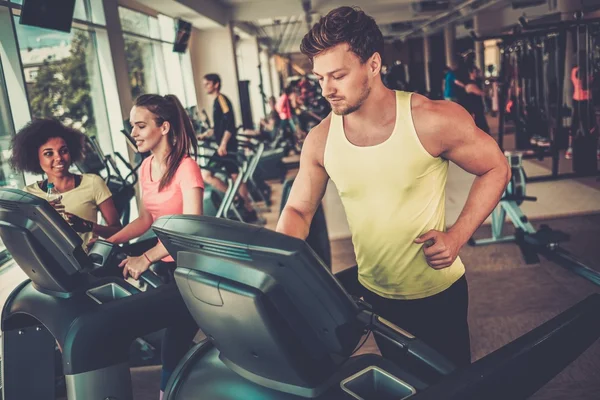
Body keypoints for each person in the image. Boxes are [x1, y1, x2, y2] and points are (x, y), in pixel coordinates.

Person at [276, 6, 510, 368]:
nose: (326, 90)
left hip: (436, 294)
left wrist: (458, 235)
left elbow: (496, 167)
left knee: (450, 389)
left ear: (373, 64)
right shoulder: (320, 139)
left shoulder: (432, 119)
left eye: (337, 75)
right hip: (373, 294)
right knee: (402, 382)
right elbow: (298, 210)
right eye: (320, 78)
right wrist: (278, 265)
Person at [105, 94, 204, 400]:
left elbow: (189, 229)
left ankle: (168, 393)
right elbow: (147, 217)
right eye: (131, 126)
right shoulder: (146, 167)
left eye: (140, 125)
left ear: (163, 127)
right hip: (166, 264)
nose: (132, 133)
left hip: (191, 266)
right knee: (171, 341)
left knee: (173, 343)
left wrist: (145, 257)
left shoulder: (187, 167)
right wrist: (110, 242)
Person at [9, 118, 122, 248]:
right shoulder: (29, 195)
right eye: (48, 153)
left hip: (87, 263)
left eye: (63, 151)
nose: (59, 158)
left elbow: (118, 231)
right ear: (36, 158)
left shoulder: (93, 182)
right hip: (50, 265)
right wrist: (42, 217)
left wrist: (88, 226)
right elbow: (24, 240)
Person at [198, 73, 257, 221]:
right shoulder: (217, 102)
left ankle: (238, 199)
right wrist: (206, 134)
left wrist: (223, 144)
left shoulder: (222, 100)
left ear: (216, 84)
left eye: (208, 84)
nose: (205, 87)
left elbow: (230, 125)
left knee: (207, 175)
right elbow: (219, 126)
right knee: (235, 176)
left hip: (225, 147)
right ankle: (247, 207)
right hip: (224, 146)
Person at [566, 55, 599, 160]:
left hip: (583, 101)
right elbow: (585, 83)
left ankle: (596, 148)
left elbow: (588, 84)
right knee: (578, 124)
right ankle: (571, 148)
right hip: (581, 100)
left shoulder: (584, 72)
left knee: (589, 124)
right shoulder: (579, 72)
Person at [464, 67, 490, 134]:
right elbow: (480, 92)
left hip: (478, 106)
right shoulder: (470, 83)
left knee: (481, 123)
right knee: (480, 124)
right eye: (475, 72)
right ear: (471, 73)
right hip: (474, 107)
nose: (476, 73)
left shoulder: (476, 82)